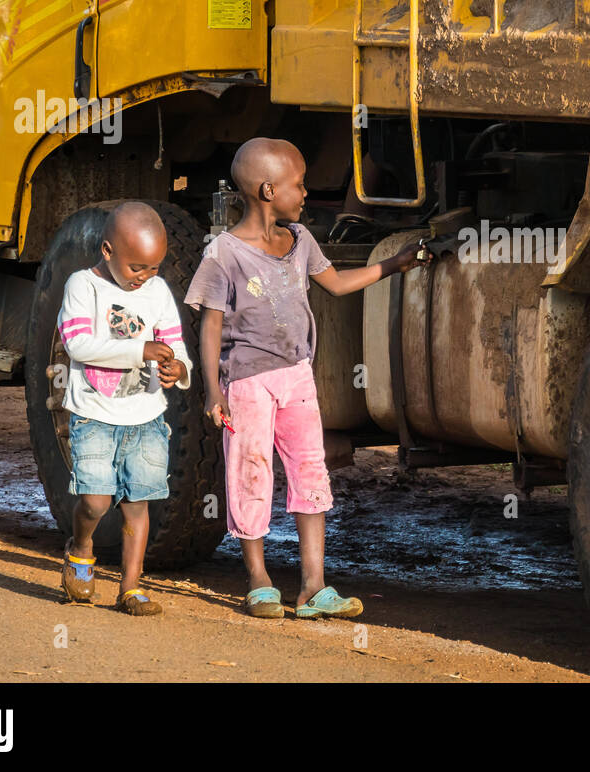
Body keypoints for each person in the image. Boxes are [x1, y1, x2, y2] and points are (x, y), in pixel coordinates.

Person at [185, 137, 429, 619]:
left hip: (298, 375)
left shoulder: (301, 240)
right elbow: (210, 323)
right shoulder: (223, 254)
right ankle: (258, 579)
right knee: (250, 472)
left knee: (310, 472)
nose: (305, 193)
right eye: (299, 185)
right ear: (268, 189)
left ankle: (313, 586)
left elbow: (336, 284)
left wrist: (395, 265)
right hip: (247, 382)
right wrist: (213, 388)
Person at [57, 202, 192, 616]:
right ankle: (81, 548)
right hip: (94, 414)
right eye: (137, 267)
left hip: (146, 417)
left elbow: (175, 342)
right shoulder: (83, 286)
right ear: (107, 250)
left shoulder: (157, 291)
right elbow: (77, 345)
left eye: (154, 268)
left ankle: (130, 589)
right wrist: (141, 350)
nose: (145, 277)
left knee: (139, 504)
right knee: (95, 502)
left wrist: (178, 368)